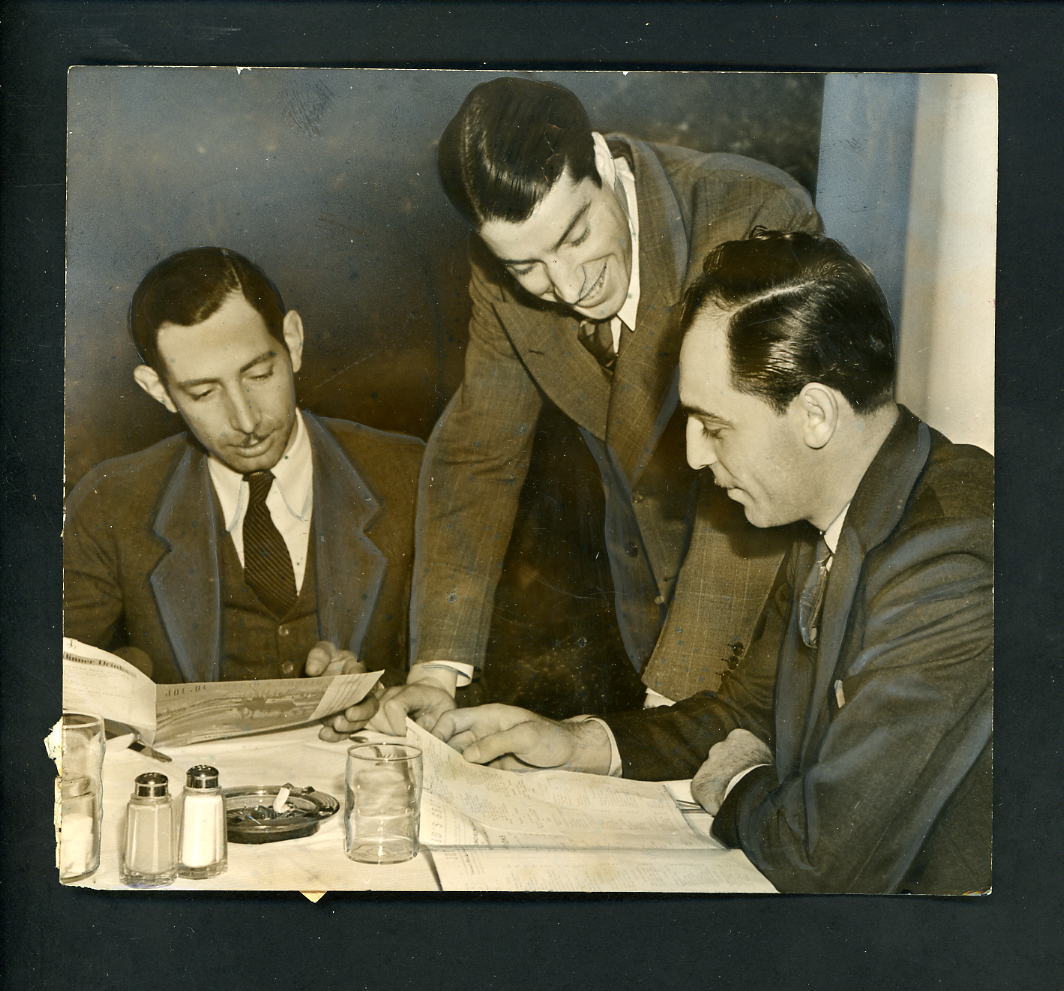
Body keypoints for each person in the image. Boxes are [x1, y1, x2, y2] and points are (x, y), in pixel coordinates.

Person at [417, 230, 993, 895]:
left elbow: (822, 856)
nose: (692, 454)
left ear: (814, 414)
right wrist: (577, 741)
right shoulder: (834, 511)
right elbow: (744, 715)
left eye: (715, 426)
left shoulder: (952, 557)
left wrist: (742, 782)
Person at [405, 76, 822, 709]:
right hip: (647, 617)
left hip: (769, 617)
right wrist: (437, 670)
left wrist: (672, 704)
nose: (568, 286)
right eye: (527, 267)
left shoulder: (748, 215)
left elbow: (758, 465)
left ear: (601, 161)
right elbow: (480, 454)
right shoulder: (498, 273)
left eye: (576, 237)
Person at [64, 247, 423, 734]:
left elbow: (487, 679)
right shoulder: (110, 500)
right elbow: (53, 697)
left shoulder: (412, 474)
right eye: (203, 393)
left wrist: (386, 697)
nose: (247, 420)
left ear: (293, 342)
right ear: (158, 390)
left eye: (258, 374)